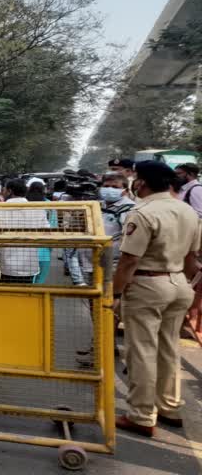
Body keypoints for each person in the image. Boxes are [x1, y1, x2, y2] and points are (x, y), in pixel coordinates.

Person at [113, 161, 200, 438]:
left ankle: (140, 414)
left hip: (148, 284)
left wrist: (114, 295)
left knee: (141, 350)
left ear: (142, 183)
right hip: (179, 283)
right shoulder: (187, 211)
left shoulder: (143, 212)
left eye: (136, 179)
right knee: (168, 348)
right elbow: (191, 258)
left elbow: (129, 260)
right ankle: (169, 406)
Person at [0, 179, 50, 284]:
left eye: (4, 189)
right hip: (28, 264)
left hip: (4, 264)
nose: (3, 192)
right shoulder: (38, 210)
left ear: (9, 191)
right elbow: (46, 232)